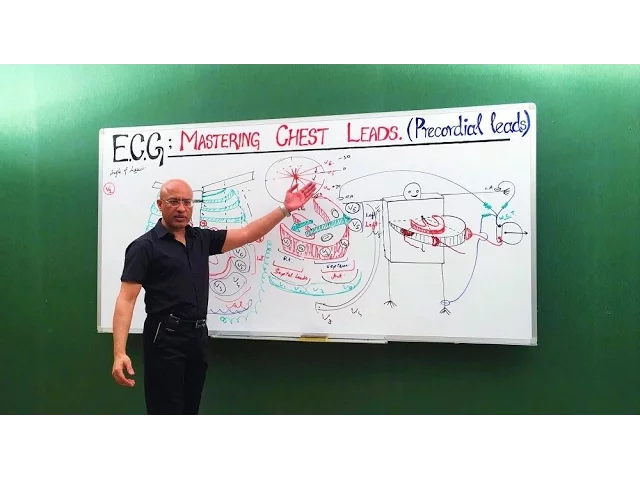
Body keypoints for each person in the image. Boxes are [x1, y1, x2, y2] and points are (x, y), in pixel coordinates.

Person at [110, 178, 317, 415]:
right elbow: (126, 300)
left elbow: (248, 233)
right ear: (160, 204)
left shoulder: (200, 239)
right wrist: (119, 352)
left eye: (187, 202)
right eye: (174, 201)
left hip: (197, 337)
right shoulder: (144, 247)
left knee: (190, 409)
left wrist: (285, 209)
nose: (181, 208)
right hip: (164, 337)